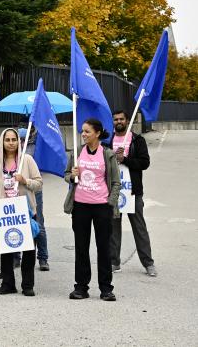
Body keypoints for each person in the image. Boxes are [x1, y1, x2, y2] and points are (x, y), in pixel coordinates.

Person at [64, 118, 121, 301]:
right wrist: (72, 176)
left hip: (101, 207)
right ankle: (81, 287)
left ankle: (106, 288)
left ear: (97, 133)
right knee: (81, 247)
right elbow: (66, 175)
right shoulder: (77, 151)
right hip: (80, 206)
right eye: (83, 131)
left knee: (103, 248)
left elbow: (115, 182)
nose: (84, 134)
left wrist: (110, 202)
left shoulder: (108, 154)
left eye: (87, 131)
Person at [0, 128, 42, 296]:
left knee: (28, 250)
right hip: (5, 211)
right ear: (2, 142)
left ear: (18, 142)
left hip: (24, 210)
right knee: (6, 249)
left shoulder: (26, 160)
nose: (11, 143)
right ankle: (8, 283)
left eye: (14, 139)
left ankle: (27, 285)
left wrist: (25, 181)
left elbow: (39, 183)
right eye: (7, 140)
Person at [109, 110, 155, 276]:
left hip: (133, 192)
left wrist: (125, 160)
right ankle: (114, 262)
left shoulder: (137, 140)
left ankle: (148, 263)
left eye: (121, 119)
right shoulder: (108, 141)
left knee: (139, 228)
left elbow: (145, 162)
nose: (118, 121)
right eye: (115, 119)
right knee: (113, 229)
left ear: (127, 120)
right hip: (113, 192)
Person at [19, 127, 50, 271]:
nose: (20, 141)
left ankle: (43, 258)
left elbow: (38, 178)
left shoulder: (38, 146)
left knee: (38, 224)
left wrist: (26, 179)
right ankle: (15, 257)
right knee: (16, 223)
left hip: (32, 189)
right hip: (16, 191)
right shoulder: (11, 148)